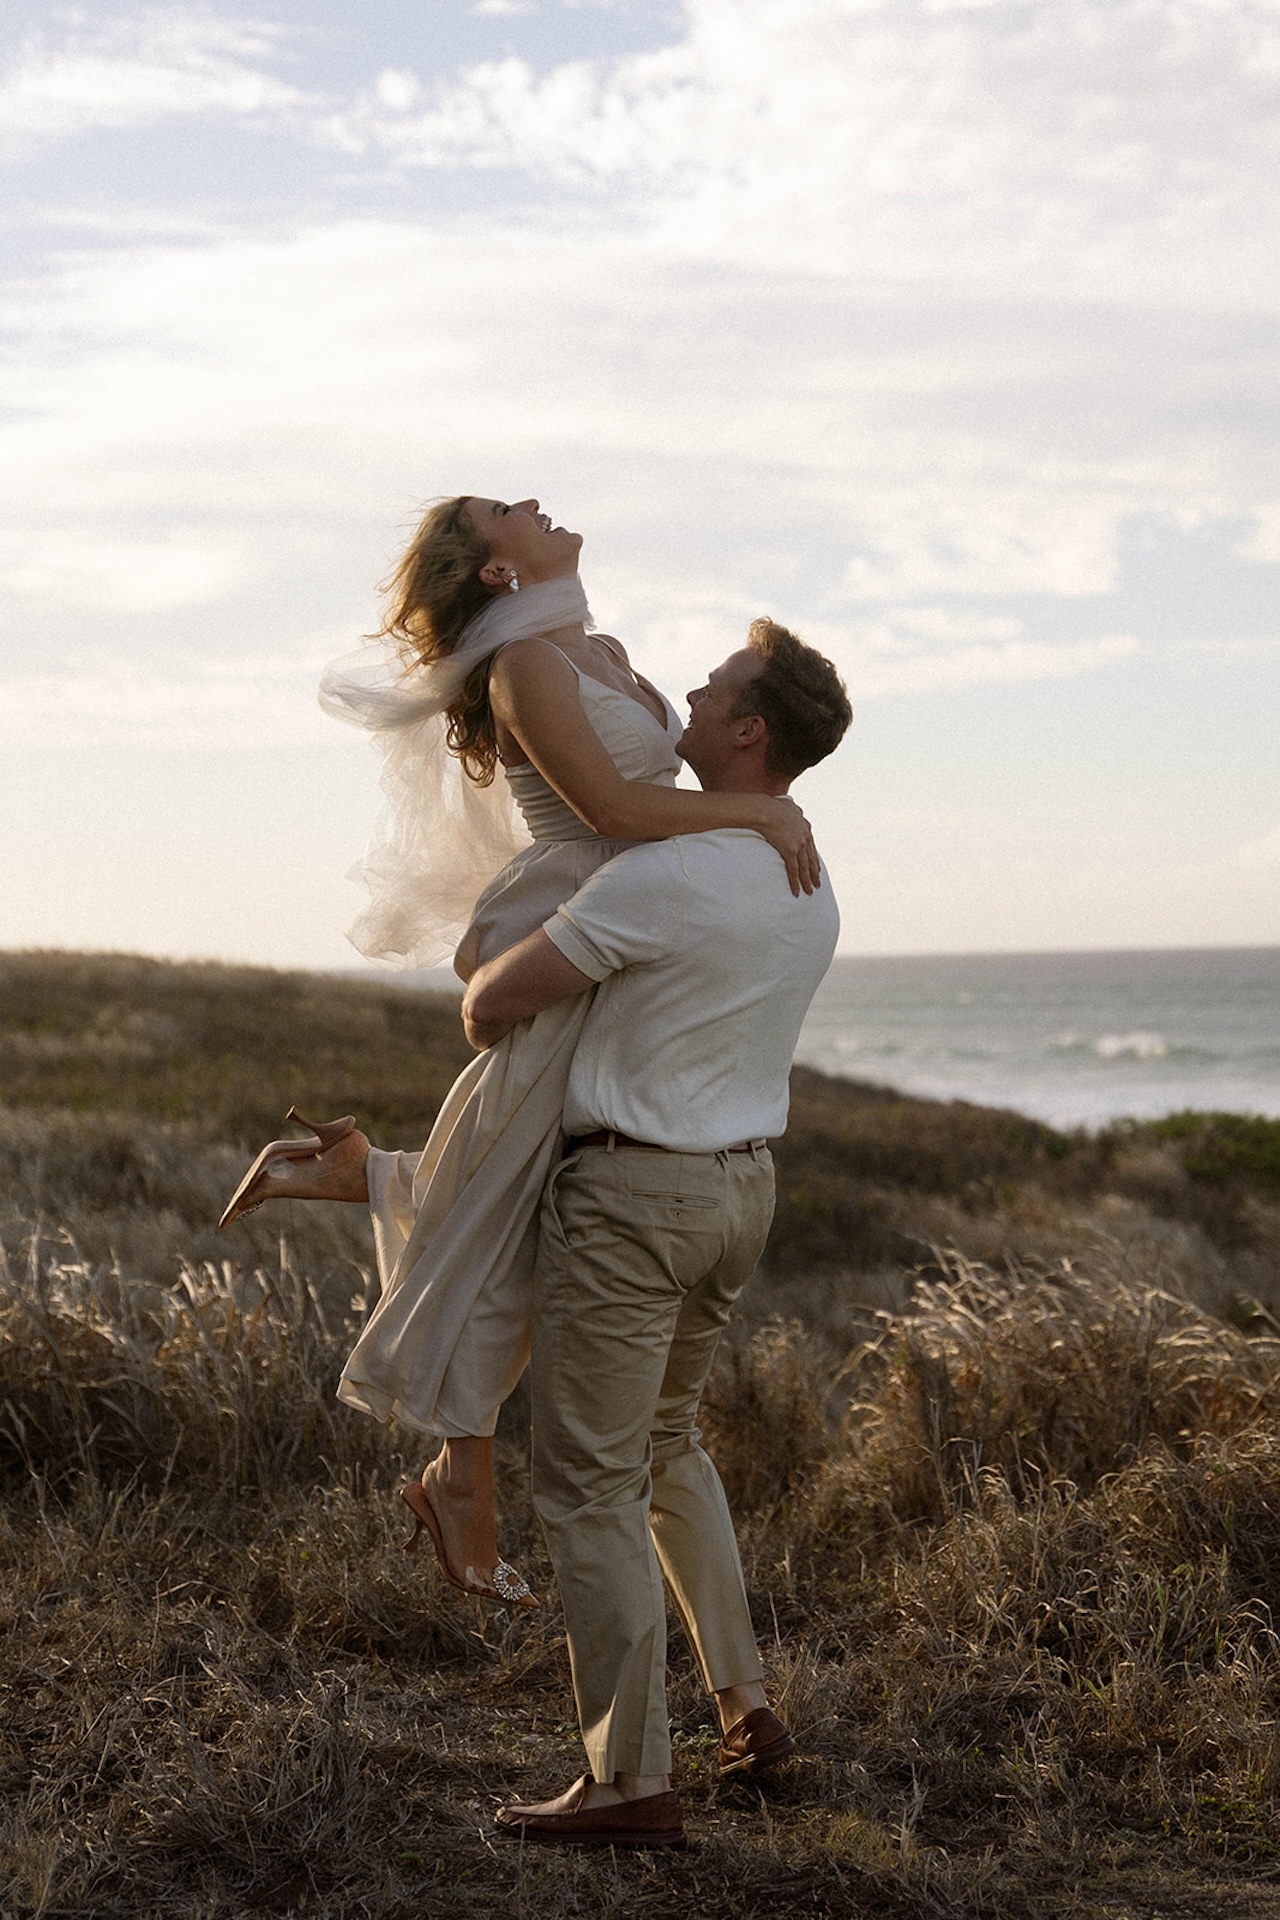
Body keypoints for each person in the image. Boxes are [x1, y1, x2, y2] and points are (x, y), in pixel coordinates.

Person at [217, 496, 819, 1607]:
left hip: (628, 921)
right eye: (508, 512)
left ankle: (366, 1182)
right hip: (582, 914)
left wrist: (754, 820)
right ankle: (460, 1471)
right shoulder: (526, 668)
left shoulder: (598, 648)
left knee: (521, 1182)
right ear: (497, 573)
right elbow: (607, 804)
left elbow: (652, 801)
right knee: (514, 1190)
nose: (536, 505)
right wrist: (758, 819)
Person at [457, 619, 851, 1847]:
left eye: (714, 684)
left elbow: (487, 1006)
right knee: (668, 1448)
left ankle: (628, 1782)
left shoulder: (661, 873)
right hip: (740, 1195)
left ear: (747, 730)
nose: (685, 686)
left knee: (584, 1486)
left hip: (635, 1202)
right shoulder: (804, 874)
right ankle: (746, 1705)